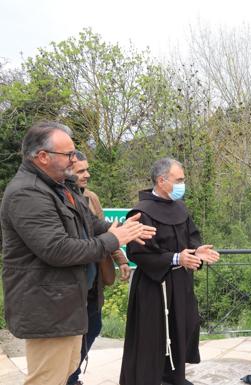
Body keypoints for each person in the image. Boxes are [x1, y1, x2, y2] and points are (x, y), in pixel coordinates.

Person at [0, 121, 156, 385]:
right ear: (42, 157)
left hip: (67, 302)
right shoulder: (27, 193)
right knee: (47, 379)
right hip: (48, 307)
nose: (74, 159)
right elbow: (57, 249)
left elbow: (88, 225)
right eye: (68, 154)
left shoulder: (59, 186)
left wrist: (119, 229)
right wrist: (113, 239)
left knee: (66, 373)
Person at [119, 158, 220, 385]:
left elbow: (190, 242)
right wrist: (176, 258)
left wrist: (196, 253)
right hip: (154, 287)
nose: (183, 184)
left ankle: (175, 377)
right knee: (153, 337)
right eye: (179, 180)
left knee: (181, 329)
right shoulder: (140, 213)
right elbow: (137, 253)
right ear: (162, 181)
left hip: (181, 285)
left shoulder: (181, 208)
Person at [65, 150, 133, 385]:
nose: (87, 175)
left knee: (94, 327)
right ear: (67, 171)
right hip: (74, 280)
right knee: (73, 335)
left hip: (94, 278)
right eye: (81, 171)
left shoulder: (91, 198)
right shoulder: (60, 199)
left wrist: (121, 259)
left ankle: (73, 375)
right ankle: (69, 378)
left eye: (87, 169)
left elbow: (105, 230)